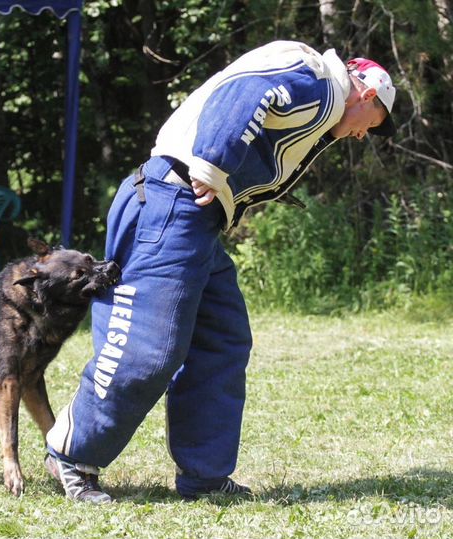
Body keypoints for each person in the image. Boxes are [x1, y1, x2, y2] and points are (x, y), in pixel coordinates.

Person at [43, 40, 397, 503]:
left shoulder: (321, 93)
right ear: (367, 97)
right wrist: (214, 161)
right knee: (148, 349)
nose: (362, 136)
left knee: (222, 340)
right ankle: (72, 455)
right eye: (371, 126)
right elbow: (253, 90)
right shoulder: (317, 78)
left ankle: (205, 477)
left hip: (195, 219)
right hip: (172, 204)